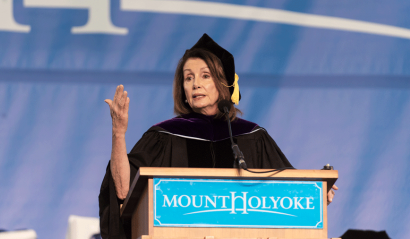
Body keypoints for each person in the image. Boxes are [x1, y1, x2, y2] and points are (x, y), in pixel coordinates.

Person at [98, 34, 337, 239]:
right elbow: (122, 192)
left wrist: (317, 195)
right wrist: (118, 133)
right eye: (188, 77)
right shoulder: (164, 136)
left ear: (223, 83)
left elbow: (291, 195)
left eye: (205, 76)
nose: (195, 85)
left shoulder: (252, 137)